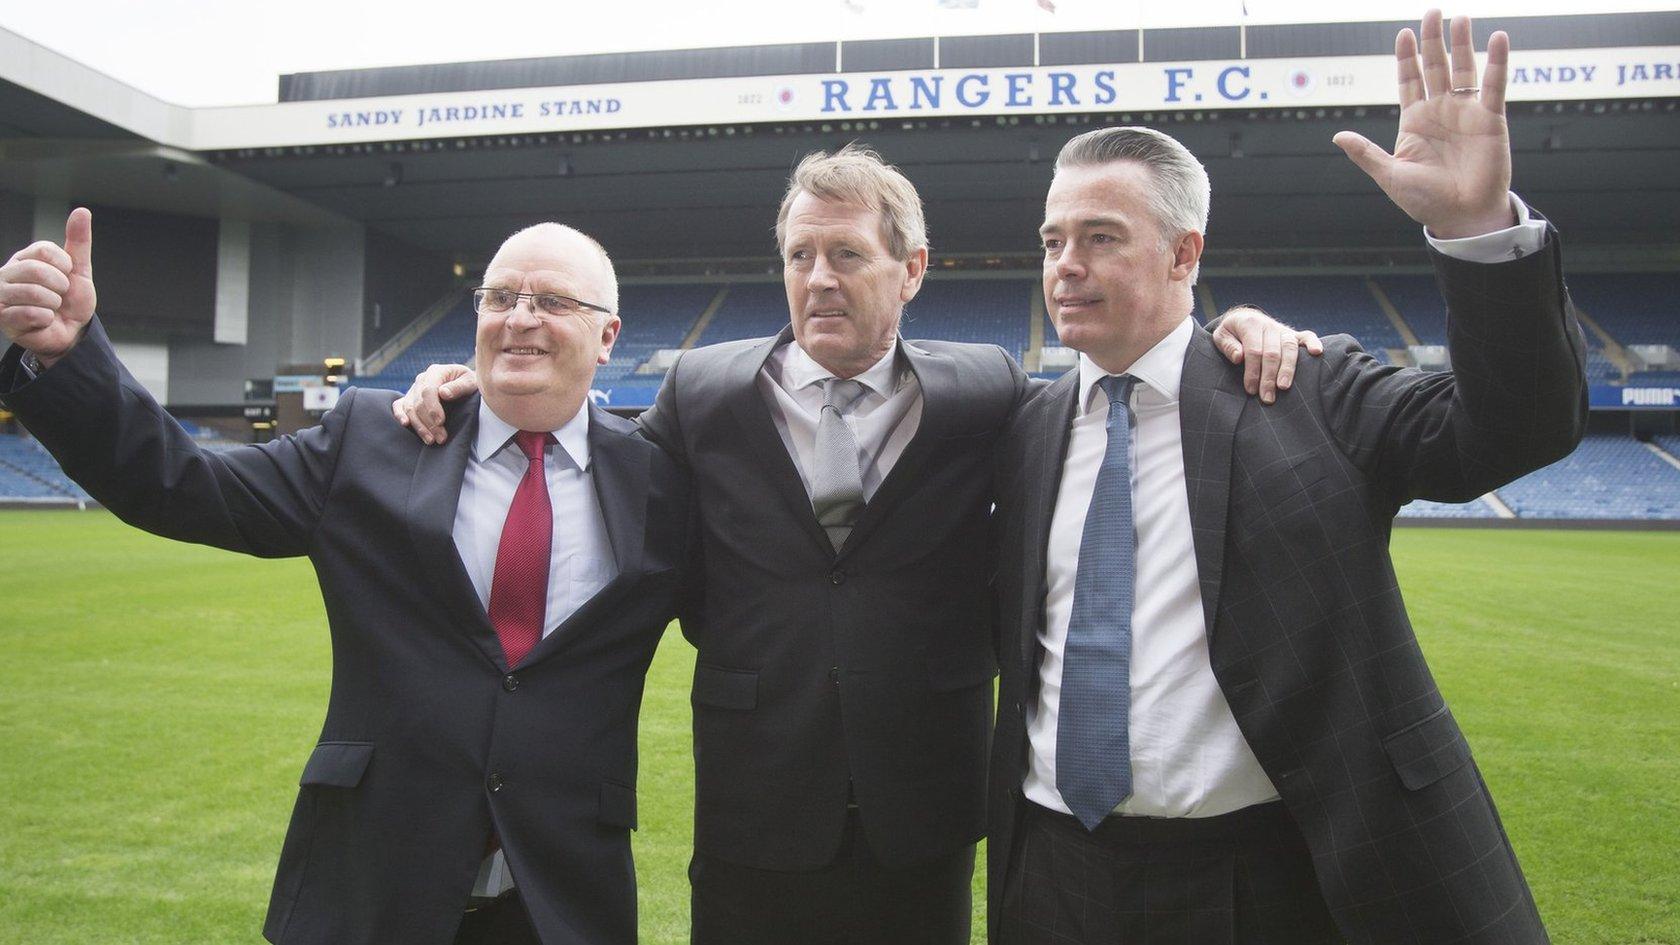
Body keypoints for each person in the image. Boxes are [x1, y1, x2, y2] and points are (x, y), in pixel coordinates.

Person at [395, 147, 1316, 943]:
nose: (818, 278)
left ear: (911, 269)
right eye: (799, 255)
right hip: (754, 794)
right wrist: (477, 387)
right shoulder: (705, 391)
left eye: (845, 254)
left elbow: (1125, 375)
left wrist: (1235, 328)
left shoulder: (983, 390)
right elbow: (604, 470)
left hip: (922, 801)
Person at [987, 11, 1585, 943]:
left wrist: (1473, 228)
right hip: (1055, 875)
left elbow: (1517, 428)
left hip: (1266, 875)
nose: (1066, 264)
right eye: (1053, 239)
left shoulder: (1304, 386)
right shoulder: (1020, 429)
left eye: (1101, 236)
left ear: (1185, 253)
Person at [0, 217, 691, 945]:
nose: (519, 318)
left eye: (551, 302)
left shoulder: (661, 481)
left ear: (609, 335)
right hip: (368, 889)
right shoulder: (370, 440)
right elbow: (181, 480)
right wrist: (68, 353)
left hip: (560, 900)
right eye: (498, 297)